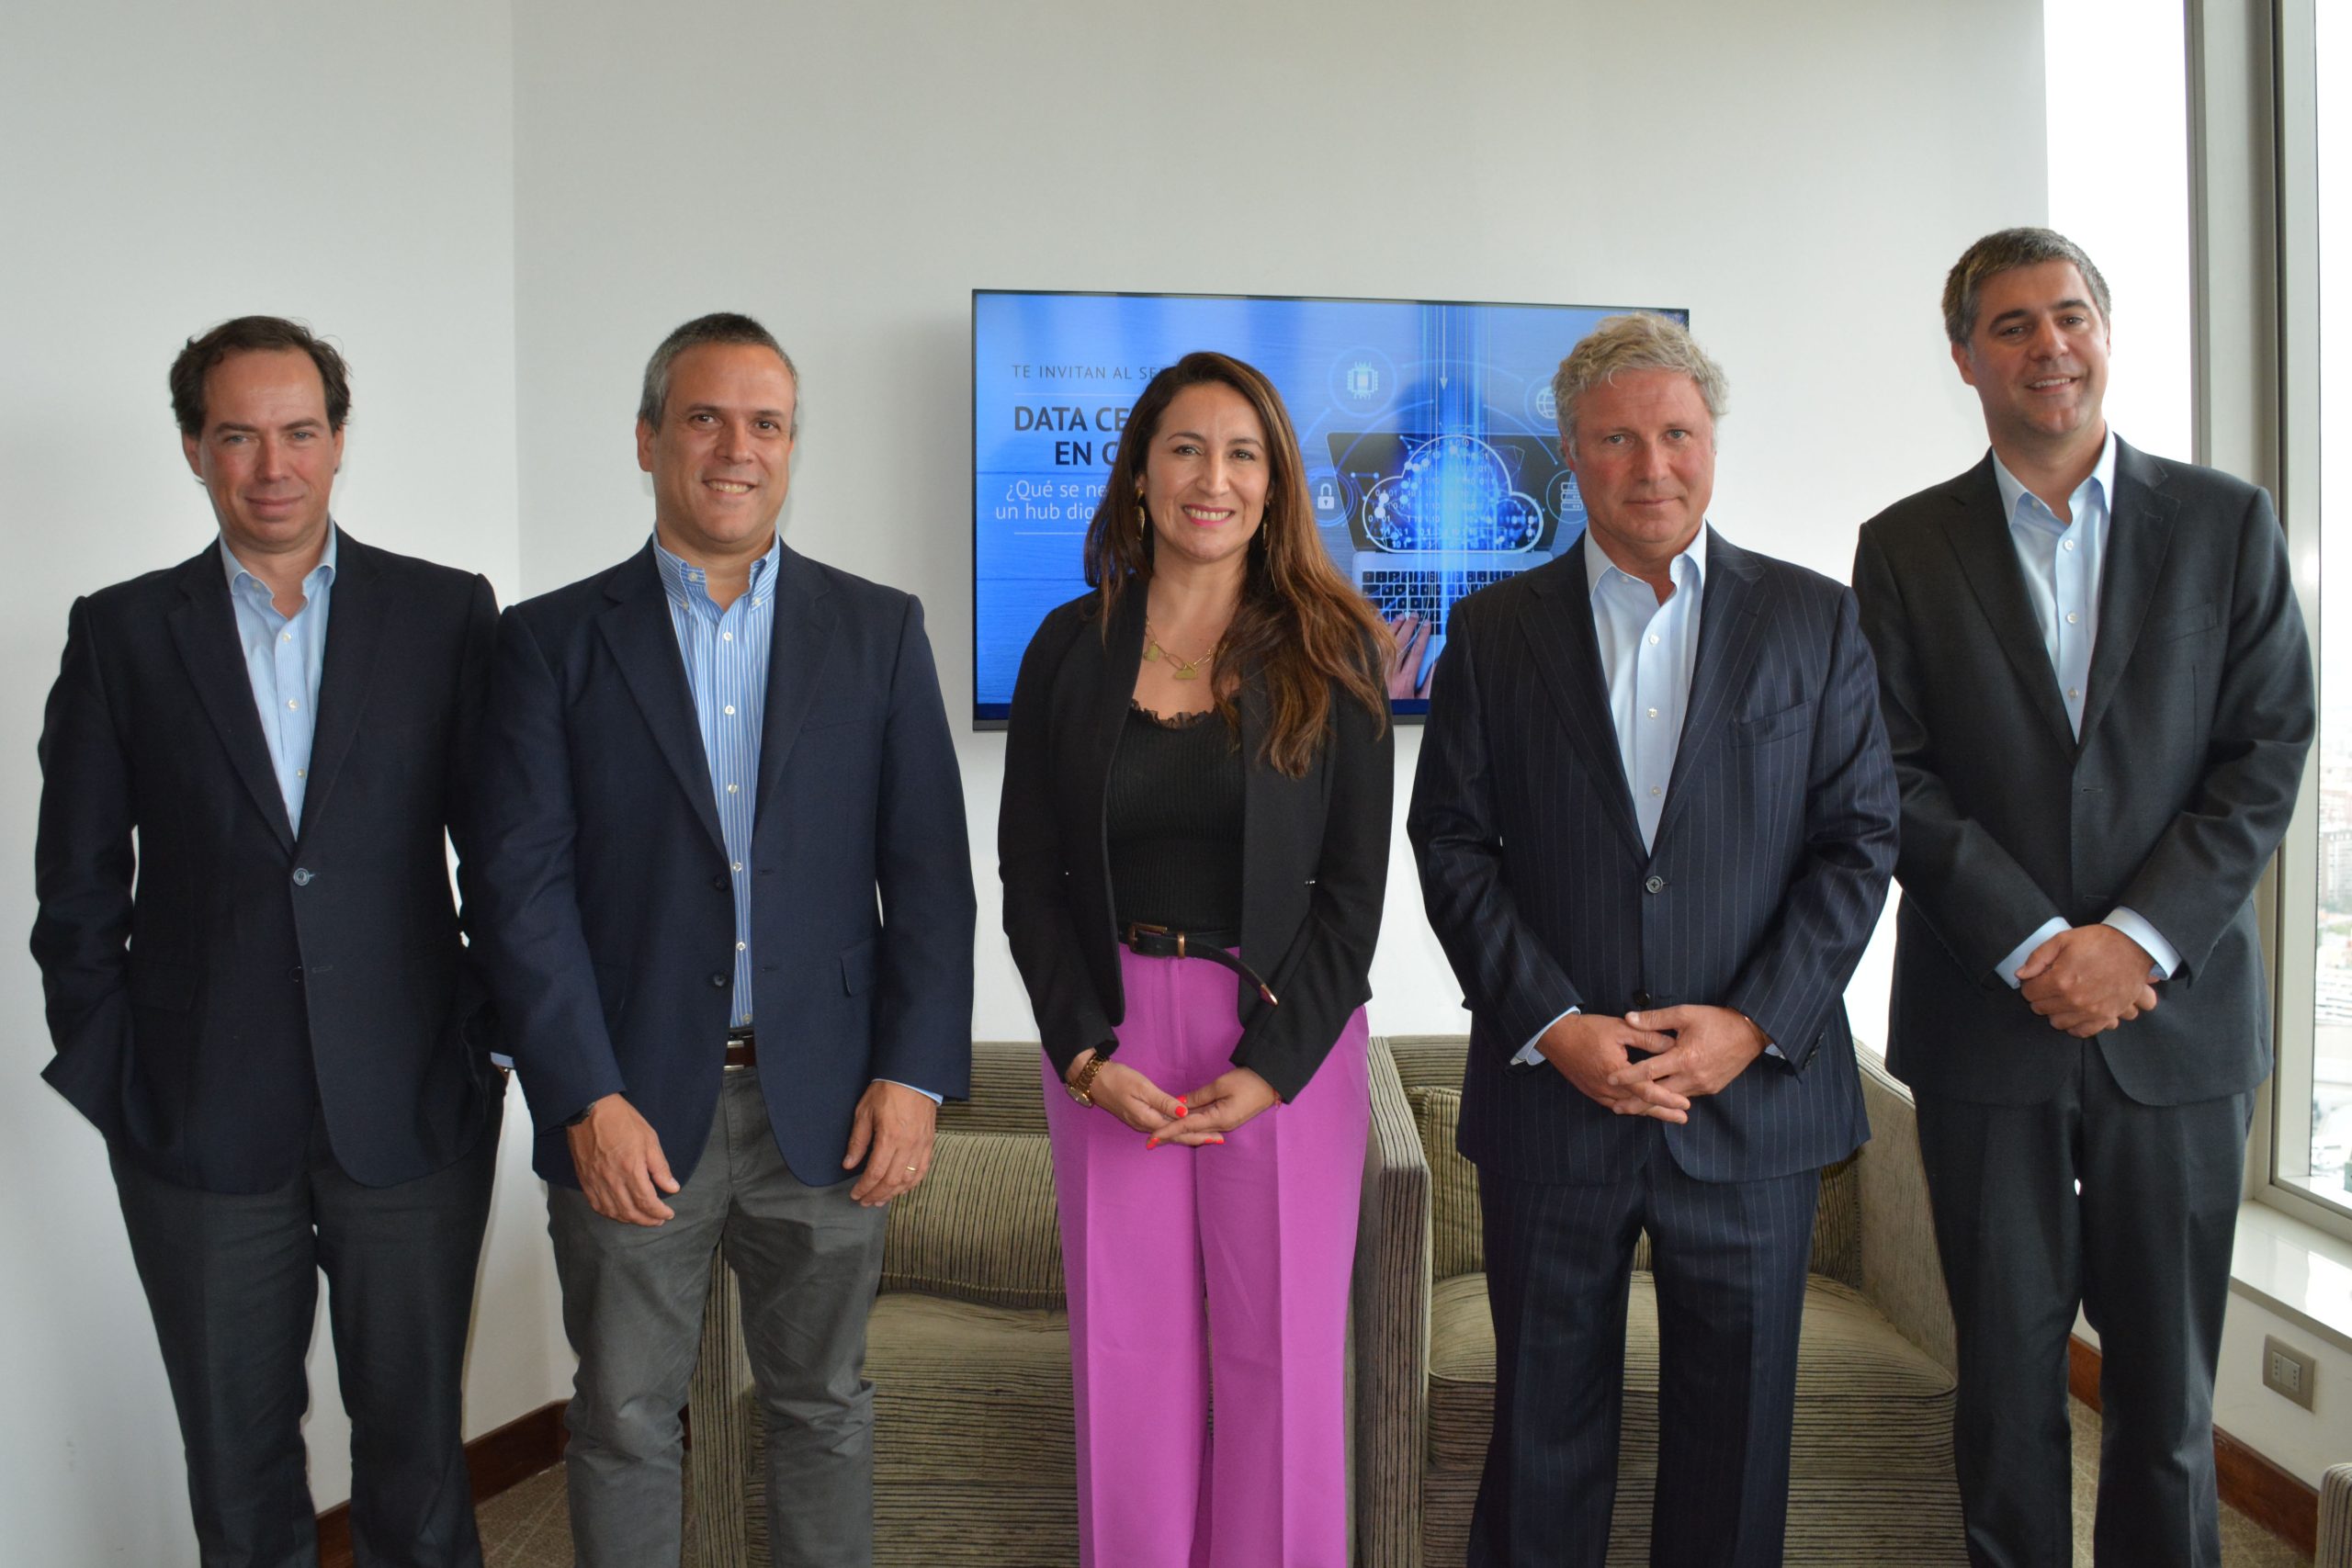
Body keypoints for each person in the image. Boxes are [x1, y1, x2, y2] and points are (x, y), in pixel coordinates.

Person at [472, 312, 974, 1568]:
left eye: (766, 424)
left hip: (830, 1108)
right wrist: (582, 1097)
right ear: (649, 440)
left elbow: (929, 879)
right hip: (629, 1109)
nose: (736, 449)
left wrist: (912, 1078)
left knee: (824, 1408)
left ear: (792, 447)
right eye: (704, 418)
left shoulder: (878, 631)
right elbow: (519, 892)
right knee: (625, 1418)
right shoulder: (547, 641)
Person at [1852, 227, 2313, 1567]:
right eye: (2011, 325)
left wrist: (2138, 943)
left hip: (2178, 1031)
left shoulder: (2225, 523)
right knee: (2004, 1393)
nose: (2048, 346)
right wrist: (2041, 944)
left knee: (2168, 1406)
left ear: (2106, 335)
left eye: (2070, 316)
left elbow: (2266, 751)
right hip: (1986, 1026)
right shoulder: (1903, 547)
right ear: (1964, 357)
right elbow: (1890, 770)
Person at [1408, 312, 1899, 1568]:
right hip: (1555, 1103)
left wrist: (1754, 1023)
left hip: (1753, 1108)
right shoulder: (1496, 631)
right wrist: (1553, 1024)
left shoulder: (1815, 620)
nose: (1652, 466)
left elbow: (1858, 843)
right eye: (1617, 439)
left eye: (1676, 433)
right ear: (1571, 454)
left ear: (1711, 442)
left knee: (1735, 1458)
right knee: (1542, 1442)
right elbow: (1453, 843)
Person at [31, 315, 503, 1567]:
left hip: (412, 1110)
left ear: (340, 440)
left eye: (299, 432)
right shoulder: (123, 633)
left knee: (417, 1462)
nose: (273, 465)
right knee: (237, 1474)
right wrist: (119, 1078)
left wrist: (488, 1043)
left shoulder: (445, 615)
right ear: (195, 450)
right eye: (239, 436)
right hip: (197, 1122)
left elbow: (507, 856)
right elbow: (76, 886)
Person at [999, 350, 1393, 1568]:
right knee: (1129, 1368)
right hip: (1111, 1045)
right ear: (1139, 474)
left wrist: (1273, 1066)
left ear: (1274, 485)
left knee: (1282, 1368)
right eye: (1184, 449)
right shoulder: (1068, 648)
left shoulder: (1335, 650)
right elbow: (1030, 878)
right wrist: (1079, 1053)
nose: (1211, 479)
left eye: (1241, 454)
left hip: (1280, 1044)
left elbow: (1353, 897)